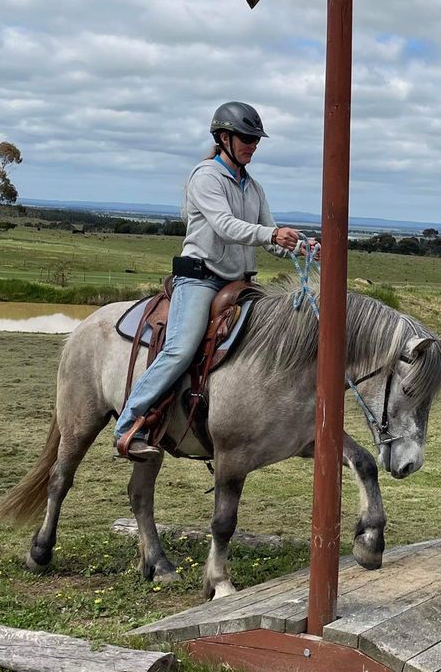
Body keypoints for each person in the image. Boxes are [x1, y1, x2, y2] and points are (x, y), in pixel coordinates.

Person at [115, 101, 304, 459]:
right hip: (200, 280)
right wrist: (272, 235)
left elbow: (267, 234)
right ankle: (128, 424)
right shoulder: (205, 177)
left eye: (256, 140)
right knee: (180, 349)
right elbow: (226, 226)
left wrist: (299, 247)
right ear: (223, 137)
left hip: (239, 284)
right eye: (246, 138)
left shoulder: (253, 187)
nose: (252, 145)